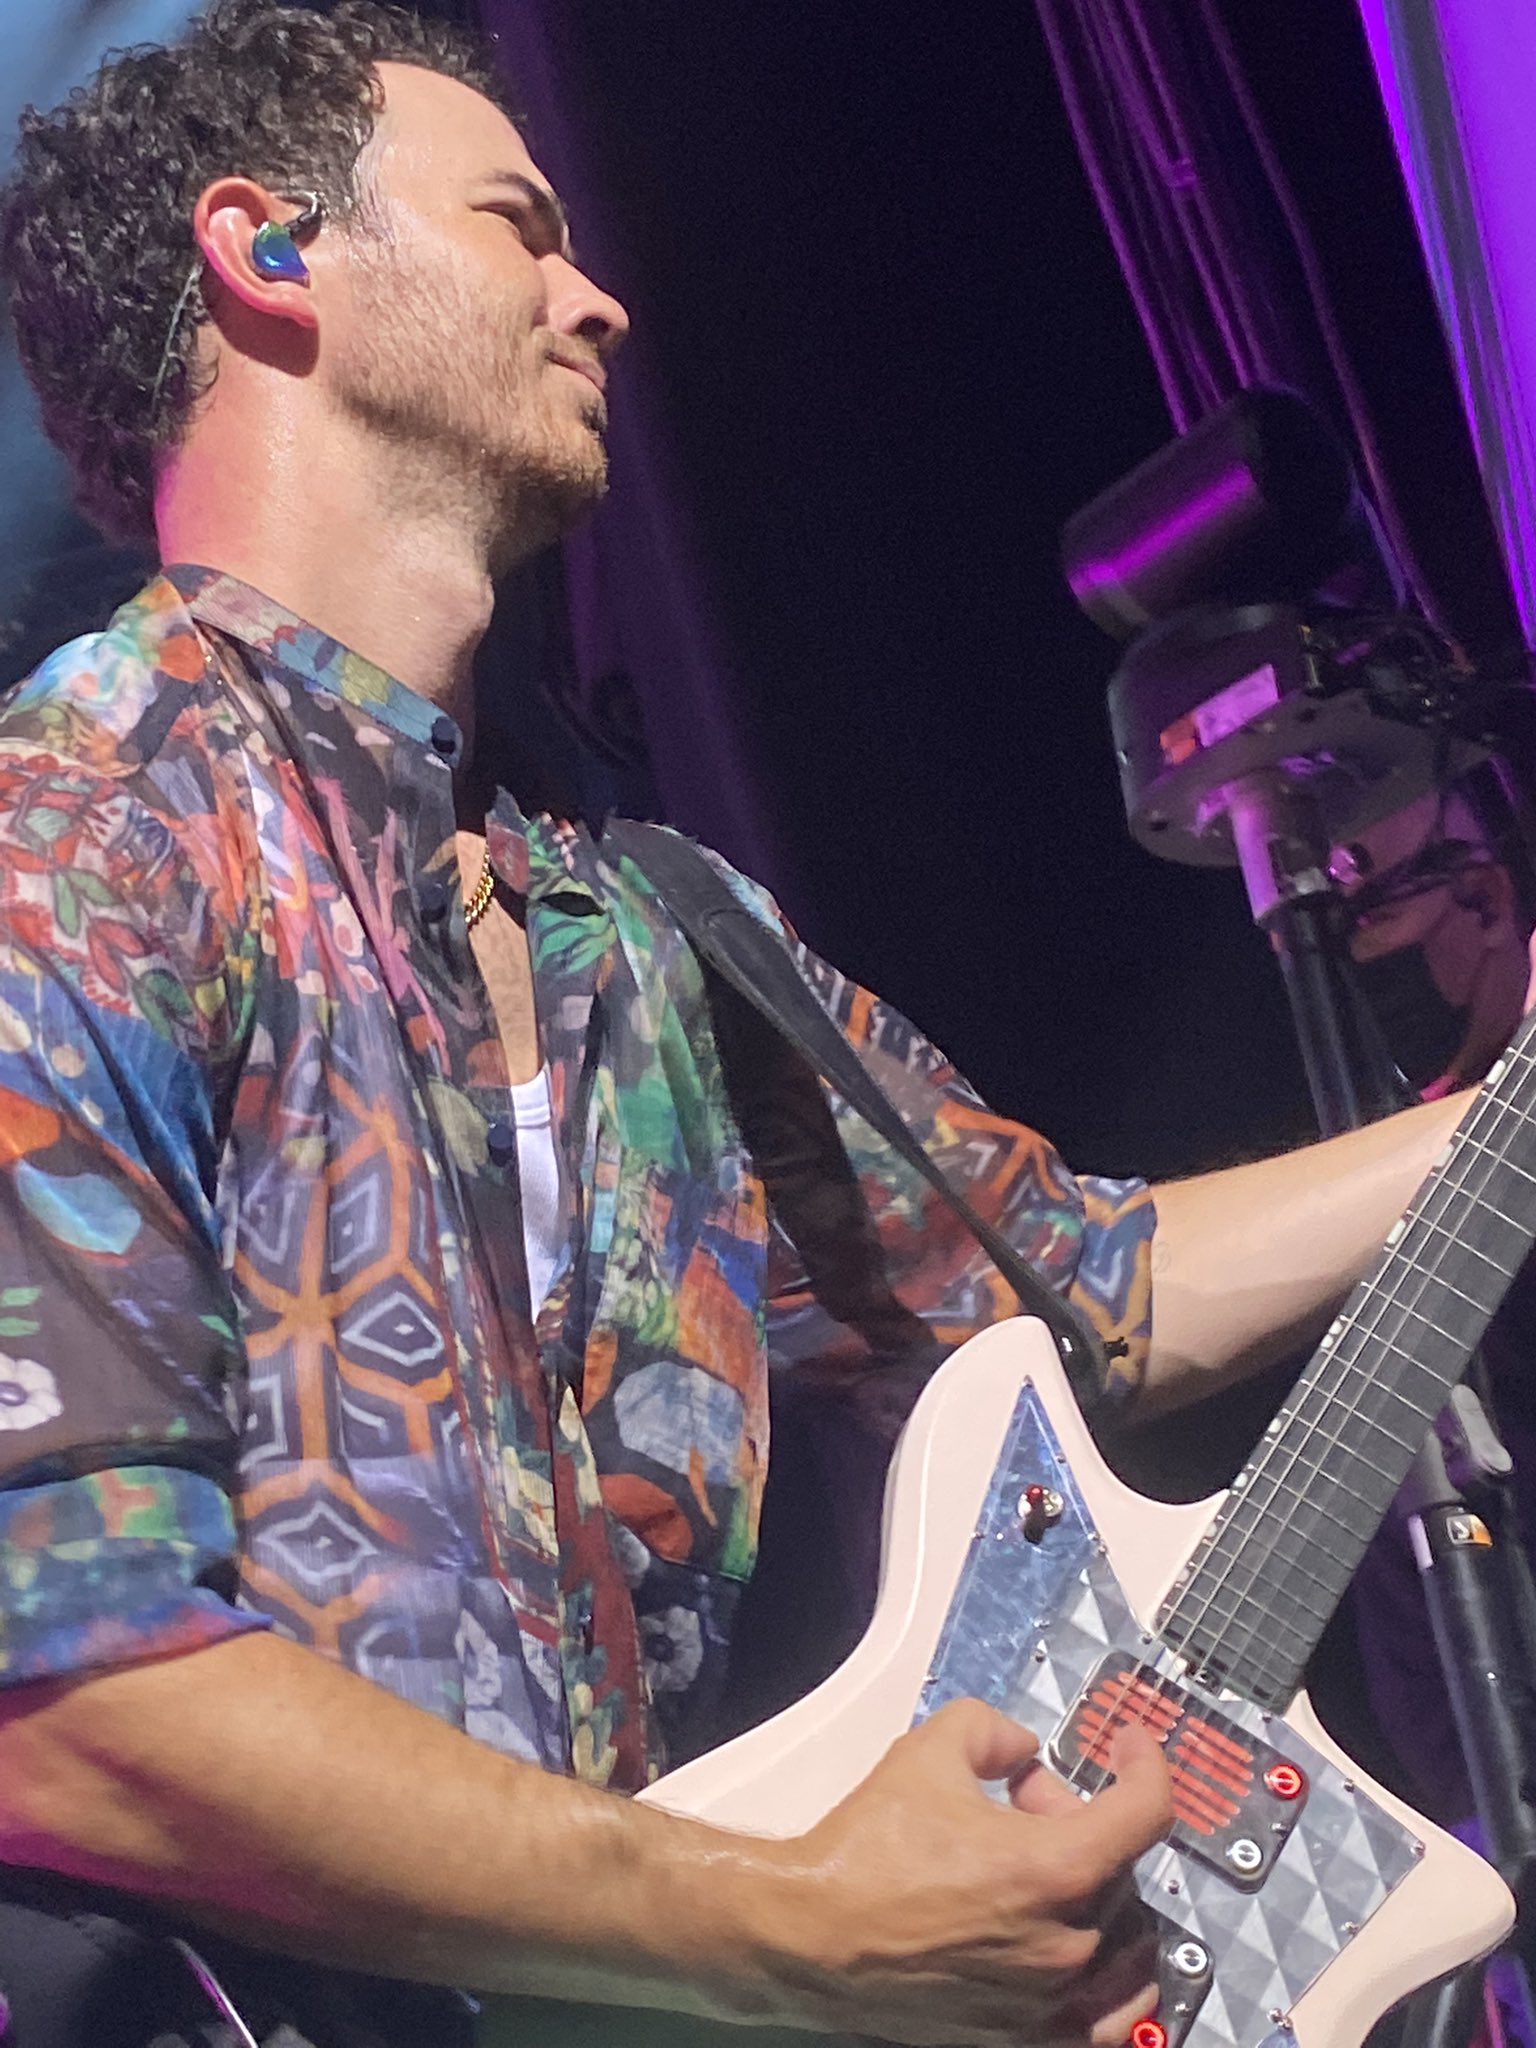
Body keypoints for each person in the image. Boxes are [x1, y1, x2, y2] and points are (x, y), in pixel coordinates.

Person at [0, 5, 1497, 2044]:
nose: (598, 297)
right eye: (520, 225)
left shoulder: (640, 931)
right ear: (271, 253)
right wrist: (796, 1919)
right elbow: (61, 1691)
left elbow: (1090, 1290)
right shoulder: (74, 835)